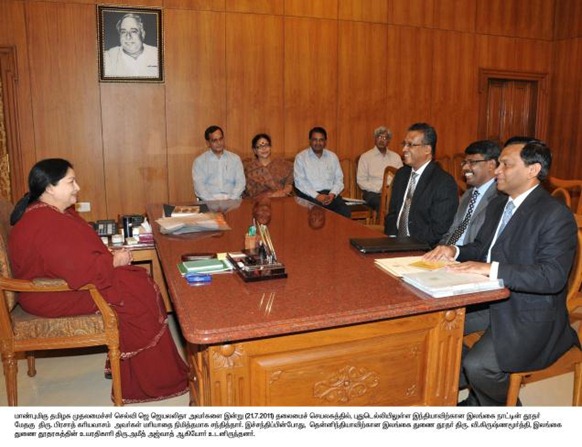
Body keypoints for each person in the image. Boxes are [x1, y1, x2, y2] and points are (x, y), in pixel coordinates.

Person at [8, 159, 189, 404]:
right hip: (49, 295)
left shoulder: (51, 213)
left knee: (139, 282)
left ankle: (150, 371)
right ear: (50, 188)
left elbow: (75, 257)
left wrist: (111, 259)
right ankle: (149, 381)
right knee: (137, 292)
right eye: (71, 182)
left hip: (60, 284)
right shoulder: (44, 221)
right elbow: (77, 268)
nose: (77, 187)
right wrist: (114, 261)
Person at [423, 139, 580, 406]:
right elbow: (482, 247)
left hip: (530, 311)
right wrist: (455, 251)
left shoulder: (555, 215)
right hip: (492, 299)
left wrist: (491, 269)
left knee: (479, 365)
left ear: (533, 170)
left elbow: (551, 277)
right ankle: (475, 395)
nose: (497, 170)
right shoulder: (498, 205)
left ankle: (506, 412)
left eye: (506, 165)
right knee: (436, 328)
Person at [383, 122, 458, 247]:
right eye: (404, 144)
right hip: (394, 244)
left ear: (427, 149)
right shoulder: (402, 174)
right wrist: (391, 239)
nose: (404, 149)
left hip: (422, 249)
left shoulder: (443, 183)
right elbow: (393, 213)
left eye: (410, 145)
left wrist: (409, 246)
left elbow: (438, 230)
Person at [439, 140, 502, 245]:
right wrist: (440, 249)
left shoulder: (499, 197)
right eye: (464, 162)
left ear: (491, 165)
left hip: (471, 256)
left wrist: (456, 252)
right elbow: (451, 231)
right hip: (449, 254)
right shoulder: (468, 194)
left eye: (472, 162)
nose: (465, 168)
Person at [293, 127, 351, 218]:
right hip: (310, 196)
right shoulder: (301, 158)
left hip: (330, 195)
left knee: (345, 211)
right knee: (318, 214)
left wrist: (332, 194)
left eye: (321, 140)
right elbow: (300, 182)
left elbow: (339, 180)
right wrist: (317, 196)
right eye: (315, 140)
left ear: (325, 142)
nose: (318, 143)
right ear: (310, 141)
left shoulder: (332, 157)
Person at [356, 126, 403, 211]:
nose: (381, 140)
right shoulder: (366, 157)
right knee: (382, 204)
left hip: (392, 192)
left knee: (404, 201)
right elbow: (361, 180)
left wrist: (389, 190)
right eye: (379, 137)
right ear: (375, 139)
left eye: (385, 138)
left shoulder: (396, 157)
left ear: (388, 141)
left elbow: (401, 177)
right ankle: (383, 224)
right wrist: (379, 189)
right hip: (372, 192)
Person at [193, 125, 245, 201]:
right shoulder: (199, 162)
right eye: (214, 140)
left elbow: (241, 183)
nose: (219, 143)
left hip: (232, 201)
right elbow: (199, 187)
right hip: (209, 202)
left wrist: (231, 200)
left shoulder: (235, 159)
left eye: (221, 139)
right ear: (208, 143)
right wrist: (213, 202)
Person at [103, 13, 159, 78]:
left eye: (133, 31)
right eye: (123, 32)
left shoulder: (157, 54)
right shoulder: (108, 58)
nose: (128, 37)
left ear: (142, 34)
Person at [243, 134, 293, 198]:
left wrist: (281, 193)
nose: (264, 149)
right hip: (257, 203)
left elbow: (289, 185)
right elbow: (248, 191)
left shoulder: (283, 165)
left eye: (266, 145)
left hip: (280, 200)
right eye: (260, 146)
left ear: (270, 147)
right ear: (255, 150)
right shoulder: (249, 168)